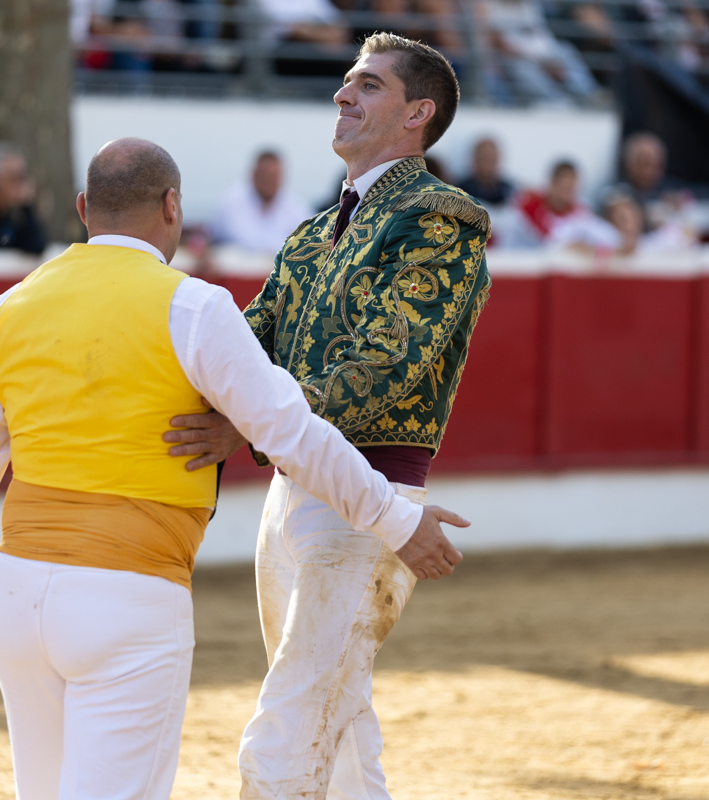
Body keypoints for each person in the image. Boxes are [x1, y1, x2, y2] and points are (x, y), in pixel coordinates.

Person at [0, 136, 467, 800]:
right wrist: (397, 517)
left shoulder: (10, 309)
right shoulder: (193, 307)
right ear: (172, 206)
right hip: (129, 596)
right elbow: (295, 435)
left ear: (85, 208)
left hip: (17, 597)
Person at [168, 32, 488, 800]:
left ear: (419, 113)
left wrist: (247, 424)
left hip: (363, 498)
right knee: (337, 725)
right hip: (290, 496)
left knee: (292, 720)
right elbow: (244, 346)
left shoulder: (440, 218)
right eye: (347, 81)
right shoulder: (312, 234)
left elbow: (386, 361)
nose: (344, 94)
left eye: (368, 85)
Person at [208, 150, 313, 253]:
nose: (270, 181)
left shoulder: (294, 204)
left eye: (274, 176)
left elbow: (310, 237)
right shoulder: (232, 201)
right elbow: (247, 242)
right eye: (266, 175)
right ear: (254, 175)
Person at [505, 159, 613, 248]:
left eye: (571, 188)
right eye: (564, 188)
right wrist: (577, 246)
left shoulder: (580, 210)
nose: (567, 193)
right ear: (552, 183)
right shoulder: (530, 205)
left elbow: (607, 236)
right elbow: (549, 242)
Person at [456, 136, 516, 206]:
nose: (489, 164)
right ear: (475, 159)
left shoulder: (508, 191)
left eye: (493, 159)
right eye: (485, 158)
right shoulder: (461, 191)